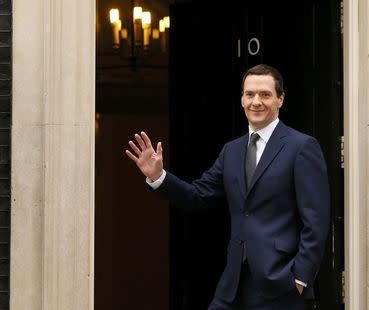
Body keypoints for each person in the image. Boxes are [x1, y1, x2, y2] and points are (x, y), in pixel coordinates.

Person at [126, 64, 330, 309]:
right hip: (233, 284)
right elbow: (198, 196)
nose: (256, 101)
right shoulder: (231, 151)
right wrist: (159, 176)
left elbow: (316, 221)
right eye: (249, 94)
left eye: (265, 94)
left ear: (280, 99)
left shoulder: (302, 147)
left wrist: (300, 278)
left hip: (282, 284)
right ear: (242, 100)